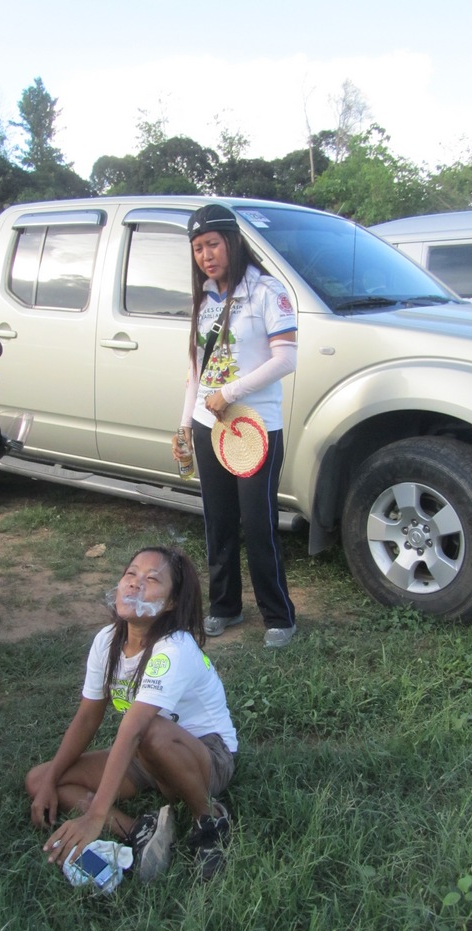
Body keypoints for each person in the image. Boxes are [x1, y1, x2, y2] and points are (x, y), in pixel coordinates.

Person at [26, 546, 237, 882]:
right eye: (131, 574)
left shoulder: (174, 648)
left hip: (206, 756)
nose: (135, 583)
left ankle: (208, 818)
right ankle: (139, 830)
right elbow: (88, 717)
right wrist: (51, 781)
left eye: (152, 579)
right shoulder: (107, 640)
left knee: (150, 729)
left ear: (170, 602)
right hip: (146, 754)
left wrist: (95, 816)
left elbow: (136, 727)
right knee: (39, 779)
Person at [173, 203, 298, 649]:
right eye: (197, 248)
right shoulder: (204, 299)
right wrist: (185, 426)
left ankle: (278, 616)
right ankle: (224, 606)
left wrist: (230, 393)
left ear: (232, 242)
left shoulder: (266, 291)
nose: (205, 255)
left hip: (254, 426)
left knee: (258, 523)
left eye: (212, 244)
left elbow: (286, 358)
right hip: (208, 425)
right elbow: (195, 371)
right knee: (218, 521)